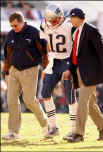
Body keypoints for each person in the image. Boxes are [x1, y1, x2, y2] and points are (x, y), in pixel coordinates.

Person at [2, 11, 52, 140]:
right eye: (11, 26)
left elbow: (44, 51)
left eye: (15, 25)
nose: (13, 28)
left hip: (30, 70)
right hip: (14, 71)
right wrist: (6, 72)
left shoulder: (34, 32)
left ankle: (46, 125)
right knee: (11, 100)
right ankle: (13, 132)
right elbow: (7, 55)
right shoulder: (11, 34)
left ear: (22, 22)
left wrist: (47, 68)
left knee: (29, 100)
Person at [67, 8, 103, 142]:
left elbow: (102, 52)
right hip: (79, 72)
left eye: (72, 18)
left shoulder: (91, 30)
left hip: (92, 73)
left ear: (79, 18)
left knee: (82, 101)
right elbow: (75, 53)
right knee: (90, 104)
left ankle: (78, 134)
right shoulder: (75, 31)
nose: (70, 20)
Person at [40, 4, 78, 139]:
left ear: (60, 16)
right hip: (53, 61)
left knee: (70, 96)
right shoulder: (43, 24)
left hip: (67, 61)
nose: (52, 22)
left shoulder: (69, 25)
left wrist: (73, 65)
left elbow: (77, 44)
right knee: (45, 93)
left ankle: (74, 129)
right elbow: (46, 44)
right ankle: (53, 126)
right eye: (50, 20)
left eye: (55, 19)